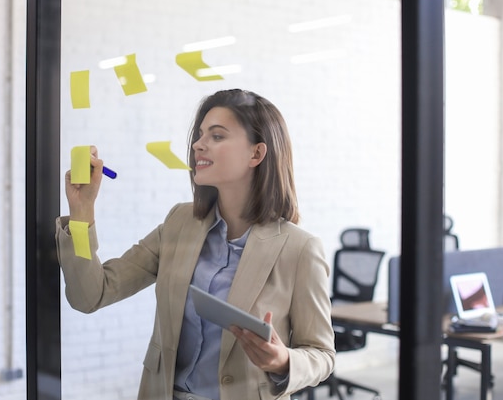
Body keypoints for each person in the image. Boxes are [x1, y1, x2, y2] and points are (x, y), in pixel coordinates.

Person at [55, 89, 336, 400]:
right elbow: (91, 294)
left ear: (256, 154)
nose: (198, 144)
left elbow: (321, 354)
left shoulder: (300, 249)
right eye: (200, 134)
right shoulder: (178, 223)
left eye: (216, 136)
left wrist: (284, 362)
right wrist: (82, 213)